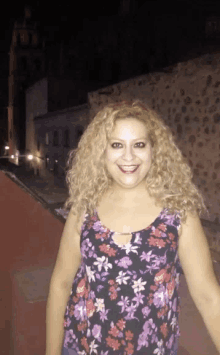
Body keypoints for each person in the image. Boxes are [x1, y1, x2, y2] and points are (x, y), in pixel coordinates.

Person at [45, 99, 220, 355]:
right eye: (116, 145)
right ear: (101, 152)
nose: (128, 156)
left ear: (154, 150)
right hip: (82, 348)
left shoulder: (178, 214)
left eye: (139, 144)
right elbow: (61, 284)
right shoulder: (84, 211)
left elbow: (208, 296)